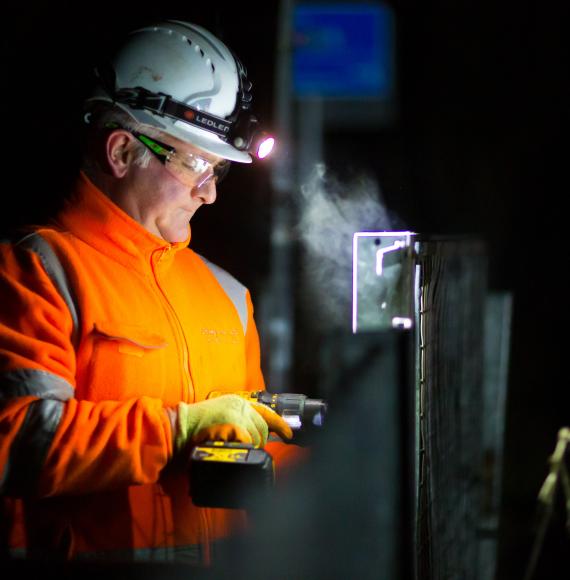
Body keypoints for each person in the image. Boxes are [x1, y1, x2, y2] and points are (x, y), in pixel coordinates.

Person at [0, 20, 298, 564]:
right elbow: (19, 441)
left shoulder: (228, 296)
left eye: (218, 172)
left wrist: (340, 466)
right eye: (197, 164)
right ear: (121, 152)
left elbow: (260, 449)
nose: (208, 195)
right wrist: (178, 430)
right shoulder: (38, 269)